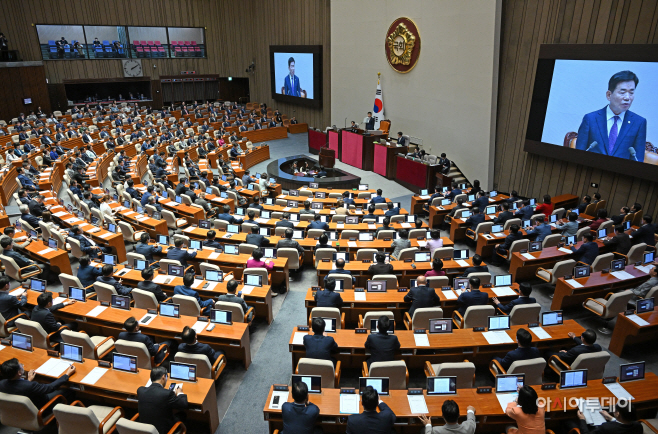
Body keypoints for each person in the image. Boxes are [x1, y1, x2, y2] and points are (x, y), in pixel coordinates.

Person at [575, 70, 646, 161]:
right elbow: (578, 154)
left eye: (631, 93)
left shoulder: (639, 122)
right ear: (609, 95)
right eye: (622, 92)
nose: (627, 97)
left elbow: (638, 159)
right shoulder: (590, 119)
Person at [0, 358, 76, 408]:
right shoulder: (30, 385)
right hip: (40, 405)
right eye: (21, 365)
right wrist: (67, 374)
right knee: (67, 389)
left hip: (20, 409)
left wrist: (28, 380)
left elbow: (20, 389)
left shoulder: (2, 383)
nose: (23, 366)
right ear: (19, 373)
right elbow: (49, 388)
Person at [137, 366, 188, 434]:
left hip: (143, 429)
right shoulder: (167, 394)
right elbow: (183, 404)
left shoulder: (140, 390)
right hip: (162, 431)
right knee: (182, 414)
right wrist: (180, 393)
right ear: (163, 377)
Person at [576, 401, 641, 433]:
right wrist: (611, 418)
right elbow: (623, 425)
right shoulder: (638, 426)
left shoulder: (606, 427)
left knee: (571, 423)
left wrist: (582, 419)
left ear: (618, 414)